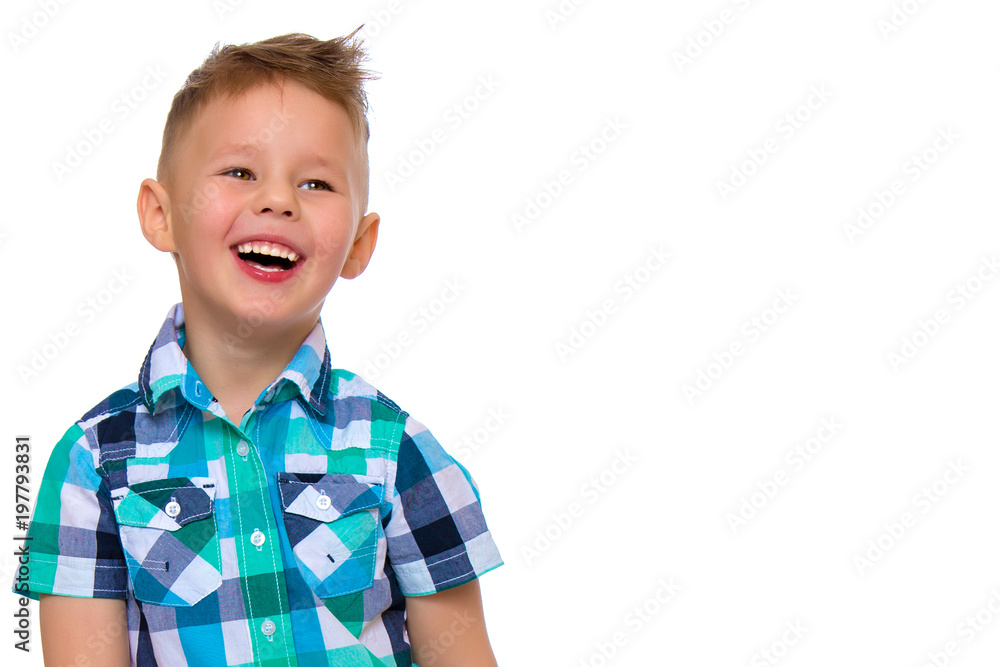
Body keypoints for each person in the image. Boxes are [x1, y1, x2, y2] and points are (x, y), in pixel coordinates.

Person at [14, 31, 502, 666]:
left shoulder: (397, 451)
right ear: (161, 215)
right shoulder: (91, 462)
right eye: (240, 172)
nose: (277, 200)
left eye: (317, 184)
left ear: (358, 243)